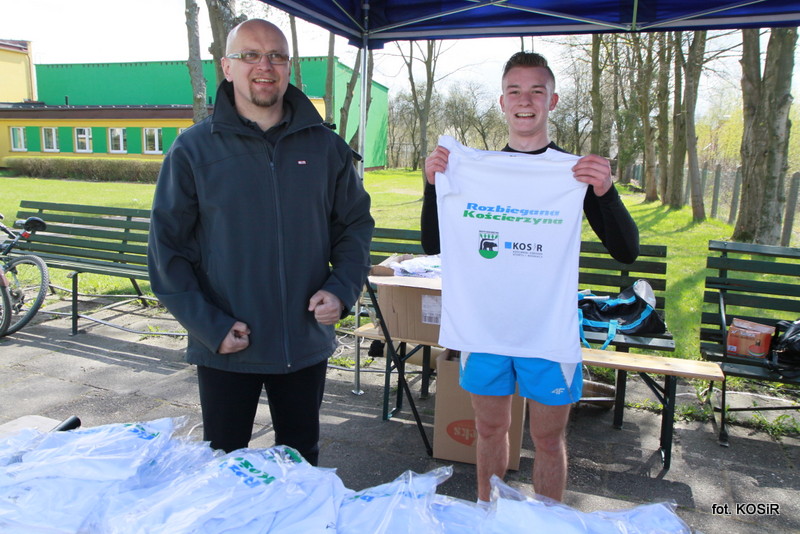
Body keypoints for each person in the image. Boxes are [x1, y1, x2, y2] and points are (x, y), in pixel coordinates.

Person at [147, 19, 374, 466]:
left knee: (301, 464)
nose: (264, 66)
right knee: (224, 464)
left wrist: (341, 289)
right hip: (229, 344)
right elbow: (166, 251)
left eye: (276, 56)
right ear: (227, 67)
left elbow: (355, 227)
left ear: (288, 66)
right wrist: (209, 326)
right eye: (249, 55)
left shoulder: (326, 148)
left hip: (303, 341)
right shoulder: (193, 151)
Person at [421, 51, 639, 503]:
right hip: (484, 328)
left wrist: (606, 190)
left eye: (537, 91)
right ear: (502, 102)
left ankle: (547, 522)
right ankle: (489, 516)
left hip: (548, 331)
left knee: (547, 440)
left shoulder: (572, 171)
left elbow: (627, 251)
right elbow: (431, 244)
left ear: (552, 101)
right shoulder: (473, 170)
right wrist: (432, 186)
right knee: (489, 429)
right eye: (515, 91)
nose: (525, 100)